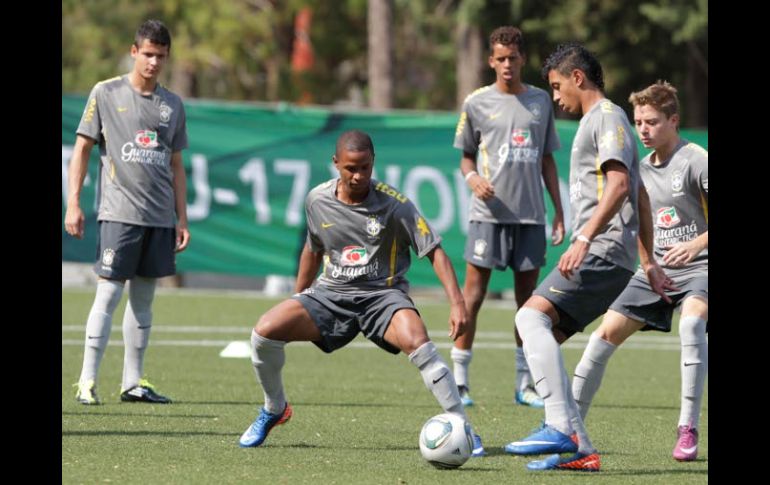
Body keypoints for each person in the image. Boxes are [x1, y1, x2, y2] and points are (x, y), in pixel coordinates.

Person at [238, 130, 484, 457]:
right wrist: (299, 297)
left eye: (365, 168)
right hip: (331, 295)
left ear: (373, 163)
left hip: (383, 296)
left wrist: (457, 303)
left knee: (419, 341)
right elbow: (312, 250)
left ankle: (461, 425)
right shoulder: (317, 200)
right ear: (336, 164)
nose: (358, 176)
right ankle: (274, 408)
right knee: (263, 333)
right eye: (350, 168)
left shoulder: (395, 205)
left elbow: (434, 251)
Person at [502, 43, 673, 471]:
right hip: (614, 255)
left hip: (600, 251)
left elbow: (618, 187)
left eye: (558, 86)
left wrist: (583, 236)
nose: (556, 97)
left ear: (578, 78)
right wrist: (648, 263)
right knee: (543, 339)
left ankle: (560, 428)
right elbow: (641, 197)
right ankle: (581, 449)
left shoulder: (607, 117)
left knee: (528, 318)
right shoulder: (598, 123)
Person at [571, 81, 708, 462]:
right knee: (601, 337)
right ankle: (569, 430)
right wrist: (648, 265)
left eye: (652, 121)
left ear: (674, 120)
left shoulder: (697, 159)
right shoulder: (640, 168)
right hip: (656, 271)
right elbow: (640, 225)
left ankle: (687, 429)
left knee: (692, 325)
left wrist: (696, 245)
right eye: (638, 122)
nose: (643, 129)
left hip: (702, 267)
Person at [64, 19, 190, 405]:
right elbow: (83, 148)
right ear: (134, 52)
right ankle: (86, 381)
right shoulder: (106, 92)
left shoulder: (172, 104)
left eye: (161, 56)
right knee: (107, 296)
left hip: (158, 219)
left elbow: (176, 164)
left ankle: (132, 382)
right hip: (118, 214)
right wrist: (74, 202)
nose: (153, 62)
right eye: (148, 54)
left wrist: (181, 217)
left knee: (145, 301)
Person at [452, 26, 565, 408]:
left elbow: (547, 159)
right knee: (474, 296)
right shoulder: (476, 102)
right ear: (490, 61)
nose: (506, 65)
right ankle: (460, 380)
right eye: (499, 58)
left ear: (522, 59)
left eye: (512, 58)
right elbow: (466, 156)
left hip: (530, 216)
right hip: (488, 214)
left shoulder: (540, 102)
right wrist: (473, 179)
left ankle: (525, 384)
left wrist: (559, 211)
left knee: (528, 304)